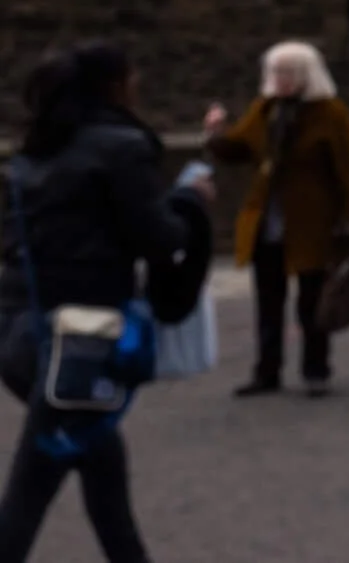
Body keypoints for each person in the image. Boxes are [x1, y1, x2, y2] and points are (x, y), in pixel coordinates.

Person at [0, 43, 212, 563]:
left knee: (103, 471)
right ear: (115, 85)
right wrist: (190, 203)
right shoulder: (120, 149)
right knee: (30, 494)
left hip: (19, 333)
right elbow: (159, 237)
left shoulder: (31, 156)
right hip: (82, 340)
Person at [203, 41, 349, 398]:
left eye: (289, 72)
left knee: (312, 302)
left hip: (313, 221)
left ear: (307, 75)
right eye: (276, 72)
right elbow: (238, 149)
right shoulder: (265, 110)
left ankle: (316, 369)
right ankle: (267, 371)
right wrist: (215, 133)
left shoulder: (330, 114)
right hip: (268, 221)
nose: (281, 79)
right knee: (268, 301)